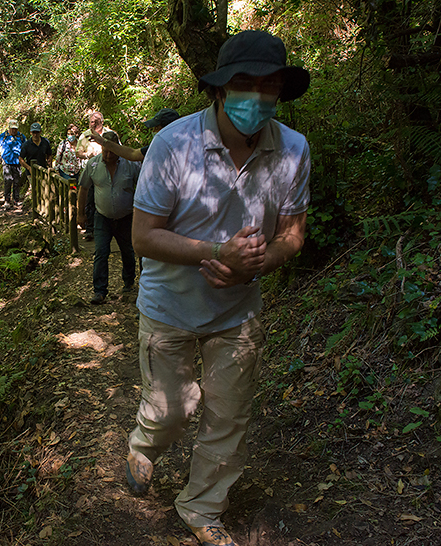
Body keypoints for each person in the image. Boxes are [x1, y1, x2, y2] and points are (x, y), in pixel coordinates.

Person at [125, 30, 311, 546]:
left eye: (268, 85)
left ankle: (202, 506)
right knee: (172, 411)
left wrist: (257, 264)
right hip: (169, 307)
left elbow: (293, 234)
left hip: (238, 312)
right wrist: (215, 252)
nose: (256, 96)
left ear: (280, 91)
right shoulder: (174, 144)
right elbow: (143, 235)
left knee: (230, 417)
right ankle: (145, 443)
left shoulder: (292, 149)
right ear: (220, 89)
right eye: (244, 83)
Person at [77, 131, 140, 304]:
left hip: (126, 217)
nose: (108, 154)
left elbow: (142, 185)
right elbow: (83, 188)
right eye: (105, 150)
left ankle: (128, 284)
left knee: (128, 251)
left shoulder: (130, 165)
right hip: (102, 217)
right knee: (101, 252)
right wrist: (80, 214)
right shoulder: (93, 164)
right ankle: (99, 290)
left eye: (112, 150)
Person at [89, 108, 181, 162]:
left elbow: (132, 154)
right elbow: (133, 153)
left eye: (156, 127)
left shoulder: (186, 147)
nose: (153, 131)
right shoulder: (157, 147)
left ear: (167, 128)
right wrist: (102, 141)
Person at [76, 111, 112, 240]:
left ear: (102, 122)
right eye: (92, 121)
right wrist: (87, 155)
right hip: (90, 172)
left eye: (97, 121)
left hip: (108, 171)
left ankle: (107, 229)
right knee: (89, 200)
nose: (94, 124)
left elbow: (118, 148)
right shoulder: (84, 136)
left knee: (105, 198)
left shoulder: (110, 134)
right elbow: (78, 152)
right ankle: (90, 229)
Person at [0, 120, 26, 208]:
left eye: (15, 129)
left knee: (17, 181)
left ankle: (16, 200)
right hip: (6, 161)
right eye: (12, 129)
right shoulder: (4, 136)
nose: (14, 130)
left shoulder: (21, 136)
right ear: (9, 128)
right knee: (8, 180)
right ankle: (7, 200)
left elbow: (25, 146)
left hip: (17, 162)